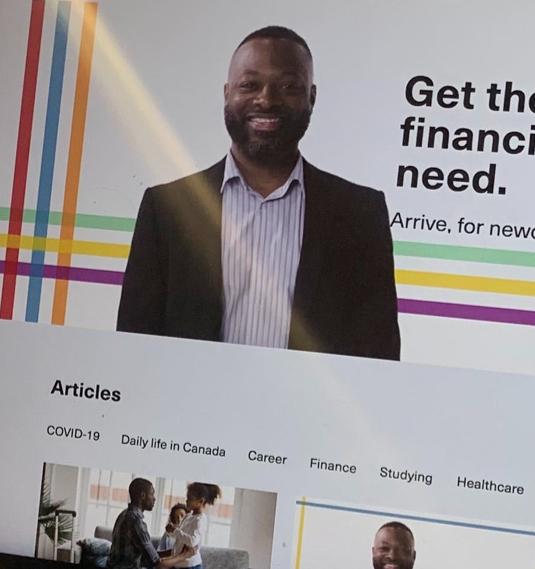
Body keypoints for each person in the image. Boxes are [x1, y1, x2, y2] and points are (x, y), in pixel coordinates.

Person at [115, 25, 400, 360]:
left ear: (312, 97)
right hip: (188, 408)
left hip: (307, 413)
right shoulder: (165, 209)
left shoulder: (360, 214)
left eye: (288, 86)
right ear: (227, 94)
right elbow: (133, 349)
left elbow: (378, 356)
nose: (267, 99)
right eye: (250, 85)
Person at [105, 478, 164, 569]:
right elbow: (155, 561)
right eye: (152, 494)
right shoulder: (135, 520)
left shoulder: (125, 513)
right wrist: (183, 556)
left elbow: (148, 554)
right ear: (143, 495)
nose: (154, 498)